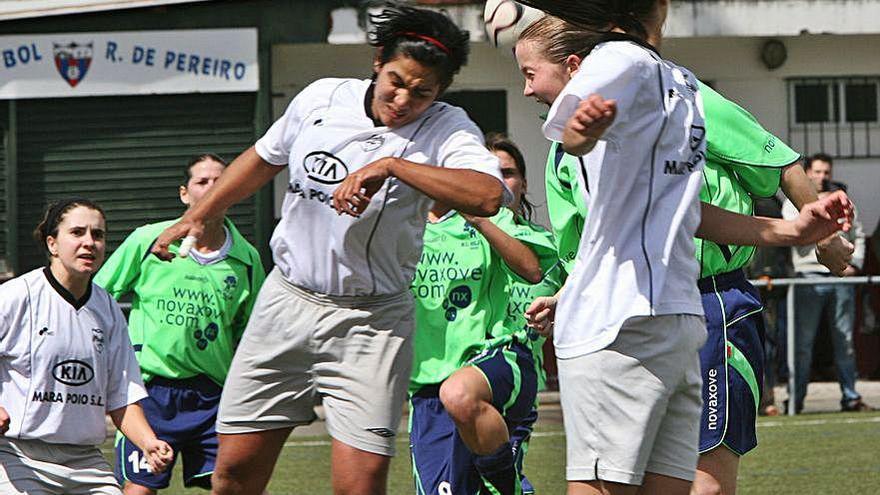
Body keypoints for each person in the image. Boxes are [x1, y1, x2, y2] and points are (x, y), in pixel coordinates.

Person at [150, 3, 508, 494]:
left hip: (372, 322)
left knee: (358, 487)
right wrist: (196, 216)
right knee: (232, 476)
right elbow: (261, 159)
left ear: (441, 93)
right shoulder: (321, 98)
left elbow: (488, 195)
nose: (403, 99)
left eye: (422, 92)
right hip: (286, 303)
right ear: (378, 61)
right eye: (396, 80)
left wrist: (394, 166)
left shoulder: (448, 128)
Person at [512, 2, 854, 493]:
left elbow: (676, 208)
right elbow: (584, 152)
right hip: (622, 323)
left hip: (682, 318)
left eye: (529, 73)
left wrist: (795, 232)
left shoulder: (680, 86)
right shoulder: (619, 62)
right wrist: (580, 132)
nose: (526, 88)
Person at [94, 154, 266, 494]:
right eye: (203, 182)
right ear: (184, 194)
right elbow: (99, 297)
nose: (213, 189)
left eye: (221, 181)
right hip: (150, 392)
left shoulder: (247, 260)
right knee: (139, 488)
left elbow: (256, 332)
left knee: (238, 485)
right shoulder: (149, 240)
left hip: (214, 395)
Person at [409, 134, 559, 495]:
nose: (497, 182)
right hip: (428, 384)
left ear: (523, 181)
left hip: (497, 371)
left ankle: (509, 487)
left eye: (506, 173)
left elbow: (536, 274)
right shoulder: (414, 232)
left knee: (464, 402)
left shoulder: (513, 233)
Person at [0, 198, 173, 495]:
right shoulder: (16, 296)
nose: (89, 243)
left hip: (86, 461)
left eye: (98, 235)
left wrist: (148, 443)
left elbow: (122, 393)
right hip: (18, 456)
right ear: (52, 244)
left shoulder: (107, 308)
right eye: (77, 233)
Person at [782, 153, 872, 413]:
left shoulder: (841, 199)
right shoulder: (792, 199)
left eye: (826, 172)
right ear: (807, 173)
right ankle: (795, 401)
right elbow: (793, 231)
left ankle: (851, 397)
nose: (821, 176)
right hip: (806, 278)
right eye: (817, 172)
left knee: (844, 341)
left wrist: (855, 264)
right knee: (801, 344)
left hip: (840, 276)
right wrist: (821, 222)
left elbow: (858, 233)